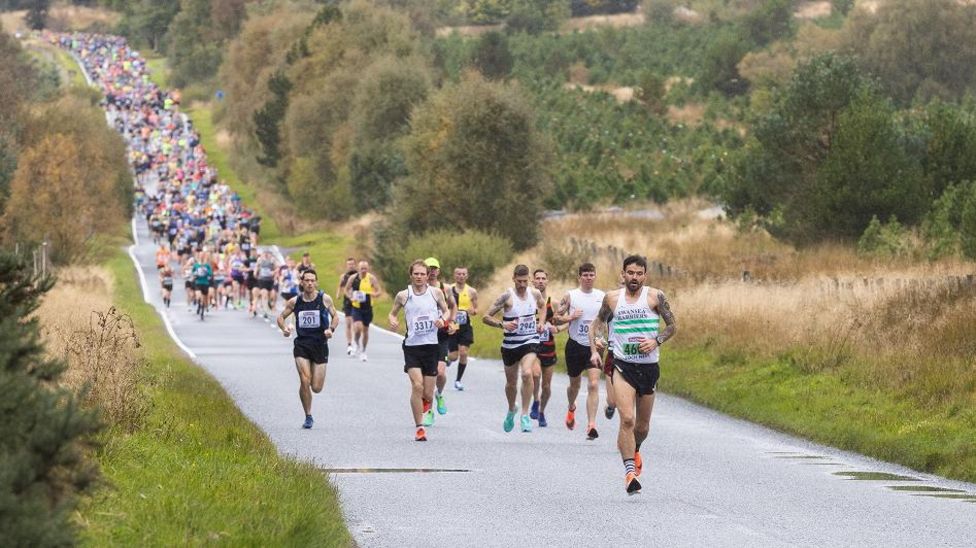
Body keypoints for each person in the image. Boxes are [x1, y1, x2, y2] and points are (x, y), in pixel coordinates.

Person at [589, 255, 676, 495]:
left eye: (639, 273)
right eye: (630, 273)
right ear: (623, 274)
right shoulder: (612, 299)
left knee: (642, 426)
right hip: (622, 365)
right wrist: (597, 345)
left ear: (644, 276)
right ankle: (629, 474)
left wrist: (656, 340)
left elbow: (672, 326)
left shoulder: (655, 296)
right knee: (627, 418)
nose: (634, 277)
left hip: (648, 368)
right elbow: (596, 324)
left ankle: (636, 449)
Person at [388, 260, 451, 441]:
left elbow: (446, 312)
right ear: (411, 275)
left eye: (422, 274)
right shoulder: (403, 295)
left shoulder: (436, 293)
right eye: (416, 274)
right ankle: (420, 428)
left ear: (427, 275)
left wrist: (443, 320)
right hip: (412, 347)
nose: (419, 277)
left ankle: (427, 402)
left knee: (427, 395)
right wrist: (393, 320)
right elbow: (392, 313)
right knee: (417, 385)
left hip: (432, 346)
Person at [482, 264, 547, 433]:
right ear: (513, 279)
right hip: (510, 345)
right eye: (519, 281)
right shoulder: (506, 296)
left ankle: (525, 415)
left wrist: (540, 322)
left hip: (530, 341)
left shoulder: (535, 294)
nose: (523, 285)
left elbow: (543, 306)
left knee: (527, 373)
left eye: (525, 281)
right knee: (511, 384)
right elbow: (486, 317)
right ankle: (512, 409)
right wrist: (502, 324)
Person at [277, 269, 339, 429]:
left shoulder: (324, 299)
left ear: (316, 282)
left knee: (316, 387)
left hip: (320, 345)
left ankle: (309, 396)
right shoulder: (295, 302)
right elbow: (280, 317)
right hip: (302, 345)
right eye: (307, 280)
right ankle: (308, 416)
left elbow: (336, 316)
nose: (310, 283)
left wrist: (331, 329)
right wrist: (284, 329)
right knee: (305, 379)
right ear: (302, 282)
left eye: (313, 280)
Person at [555, 263, 606, 440]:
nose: (588, 278)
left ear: (595, 276)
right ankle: (571, 407)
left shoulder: (602, 296)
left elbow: (608, 322)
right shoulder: (571, 295)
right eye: (585, 275)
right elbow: (556, 318)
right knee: (574, 385)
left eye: (591, 275)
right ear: (579, 277)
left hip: (596, 346)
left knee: (593, 384)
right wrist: (570, 317)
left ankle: (591, 425)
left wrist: (602, 337)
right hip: (575, 346)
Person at [529, 268, 563, 428]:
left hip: (549, 346)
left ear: (547, 281)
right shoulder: (528, 300)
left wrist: (558, 328)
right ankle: (535, 401)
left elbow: (567, 321)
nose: (541, 281)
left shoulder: (554, 303)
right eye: (538, 278)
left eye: (543, 278)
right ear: (533, 281)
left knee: (547, 386)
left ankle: (542, 411)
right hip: (532, 345)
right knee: (535, 374)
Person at [424, 257, 456, 415]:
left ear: (438, 271)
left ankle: (439, 394)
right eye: (429, 268)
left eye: (434, 268)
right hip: (423, 336)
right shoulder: (418, 289)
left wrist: (451, 322)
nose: (432, 271)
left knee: (441, 373)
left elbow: (453, 306)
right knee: (428, 374)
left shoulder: (446, 288)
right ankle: (429, 411)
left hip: (441, 334)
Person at [346, 260, 383, 362]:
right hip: (356, 307)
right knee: (358, 327)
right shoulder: (353, 278)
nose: (363, 270)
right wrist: (350, 297)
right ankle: (355, 342)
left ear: (368, 269)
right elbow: (346, 289)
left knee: (365, 330)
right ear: (358, 269)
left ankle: (363, 351)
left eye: (365, 268)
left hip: (367, 308)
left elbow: (379, 291)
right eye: (362, 268)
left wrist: (374, 294)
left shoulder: (371, 278)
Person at [448, 266, 478, 391]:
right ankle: (447, 360)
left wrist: (473, 311)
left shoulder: (472, 291)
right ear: (455, 275)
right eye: (458, 274)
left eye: (463, 274)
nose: (461, 276)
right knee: (454, 356)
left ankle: (458, 380)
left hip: (465, 325)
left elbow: (476, 309)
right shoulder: (449, 289)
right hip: (453, 324)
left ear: (467, 276)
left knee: (464, 353)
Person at [336, 257, 358, 355]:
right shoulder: (343, 276)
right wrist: (338, 294)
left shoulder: (359, 275)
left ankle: (355, 342)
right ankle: (349, 344)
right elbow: (340, 286)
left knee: (356, 324)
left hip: (358, 302)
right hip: (347, 302)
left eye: (352, 264)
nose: (351, 266)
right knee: (349, 323)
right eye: (349, 264)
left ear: (355, 265)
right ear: (346, 265)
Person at [191, 251, 213, 321]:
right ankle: (199, 305)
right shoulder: (196, 265)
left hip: (205, 283)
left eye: (203, 255)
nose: (202, 257)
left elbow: (210, 274)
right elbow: (193, 272)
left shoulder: (207, 265)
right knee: (198, 296)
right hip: (198, 282)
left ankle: (202, 312)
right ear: (199, 256)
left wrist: (206, 271)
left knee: (203, 299)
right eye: (200, 255)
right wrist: (195, 274)